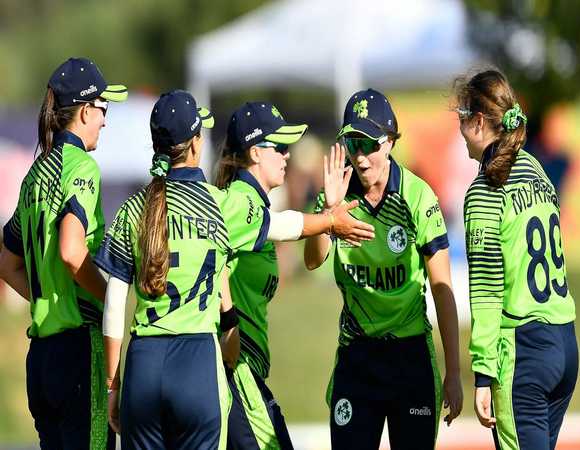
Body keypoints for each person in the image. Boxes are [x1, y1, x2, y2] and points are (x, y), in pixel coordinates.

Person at [95, 90, 374, 450]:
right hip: (197, 361)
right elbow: (282, 225)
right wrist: (329, 221)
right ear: (196, 143)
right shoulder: (218, 204)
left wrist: (113, 385)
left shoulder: (134, 207)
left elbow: (114, 304)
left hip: (144, 363)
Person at [304, 88, 462, 450]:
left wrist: (453, 372)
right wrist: (328, 215)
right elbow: (313, 261)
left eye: (370, 145)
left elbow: (442, 288)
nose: (360, 158)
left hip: (411, 359)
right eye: (353, 145)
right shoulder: (337, 195)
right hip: (357, 357)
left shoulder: (418, 197)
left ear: (390, 141)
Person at [0, 57, 127, 449]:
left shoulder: (36, 173)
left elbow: (6, 263)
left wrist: (45, 299)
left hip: (40, 357)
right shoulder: (82, 167)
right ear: (86, 110)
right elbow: (73, 252)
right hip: (79, 351)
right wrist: (109, 299)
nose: (105, 120)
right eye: (103, 109)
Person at [454, 69, 578, 450]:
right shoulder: (535, 168)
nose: (458, 124)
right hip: (565, 343)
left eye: (462, 114)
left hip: (524, 351)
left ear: (479, 122)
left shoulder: (485, 191)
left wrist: (482, 374)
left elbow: (487, 290)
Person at [215, 101, 349, 450]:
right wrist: (331, 220)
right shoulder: (239, 201)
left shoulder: (252, 203)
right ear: (255, 153)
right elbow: (284, 226)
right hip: (233, 369)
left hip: (247, 368)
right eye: (280, 148)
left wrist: (328, 209)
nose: (287, 156)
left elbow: (312, 261)